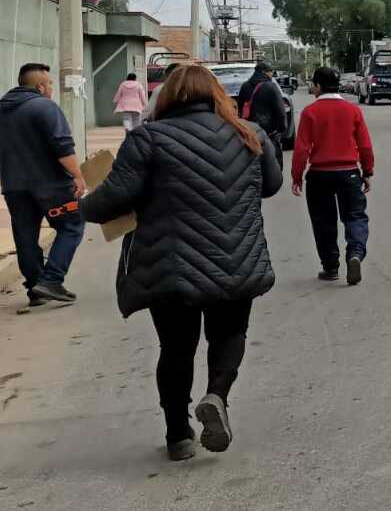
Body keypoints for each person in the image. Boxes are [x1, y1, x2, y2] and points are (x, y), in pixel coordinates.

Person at [79, 65, 282, 461]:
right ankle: (216, 396)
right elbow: (271, 185)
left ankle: (178, 435)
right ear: (217, 95)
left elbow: (112, 201)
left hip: (173, 265)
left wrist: (81, 205)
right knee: (229, 334)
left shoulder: (148, 139)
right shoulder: (249, 134)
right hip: (238, 257)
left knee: (175, 348)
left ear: (168, 97)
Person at [0, 63, 85, 306]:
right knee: (72, 225)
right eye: (49, 84)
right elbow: (63, 145)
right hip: (52, 186)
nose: (51, 89)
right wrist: (78, 176)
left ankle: (35, 287)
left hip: (14, 187)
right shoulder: (44, 106)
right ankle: (51, 280)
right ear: (40, 86)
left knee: (25, 235)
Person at [293, 67, 373, 286]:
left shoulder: (310, 112)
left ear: (318, 86)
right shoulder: (352, 110)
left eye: (313, 85)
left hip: (319, 176)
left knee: (323, 222)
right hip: (349, 173)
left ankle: (331, 267)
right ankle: (355, 253)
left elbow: (301, 149)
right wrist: (367, 171)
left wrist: (297, 176)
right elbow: (364, 145)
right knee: (355, 216)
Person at [237, 61, 288, 163]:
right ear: (265, 72)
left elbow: (239, 109)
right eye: (271, 72)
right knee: (273, 163)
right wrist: (281, 130)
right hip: (269, 133)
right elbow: (280, 111)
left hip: (251, 133)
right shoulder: (271, 87)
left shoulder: (245, 86)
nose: (272, 74)